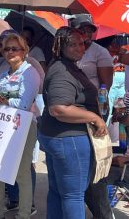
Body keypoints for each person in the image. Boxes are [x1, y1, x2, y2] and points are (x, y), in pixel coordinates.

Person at [38, 27, 107, 218]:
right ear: (60, 47)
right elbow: (59, 108)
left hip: (59, 137)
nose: (80, 48)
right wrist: (95, 118)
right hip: (69, 139)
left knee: (58, 191)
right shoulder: (62, 70)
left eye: (82, 43)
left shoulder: (67, 66)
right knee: (73, 195)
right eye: (73, 44)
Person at [0, 33, 39, 219]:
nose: (10, 52)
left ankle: (24, 214)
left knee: (22, 173)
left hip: (24, 127)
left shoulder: (30, 72)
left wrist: (3, 100)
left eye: (14, 48)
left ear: (24, 50)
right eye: (6, 49)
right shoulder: (4, 73)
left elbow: (25, 105)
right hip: (3, 125)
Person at [71, 16, 114, 219]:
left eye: (90, 30)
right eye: (83, 30)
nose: (87, 34)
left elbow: (105, 86)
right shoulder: (70, 49)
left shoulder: (100, 52)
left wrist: (100, 114)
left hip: (94, 109)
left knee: (95, 160)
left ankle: (102, 212)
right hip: (73, 108)